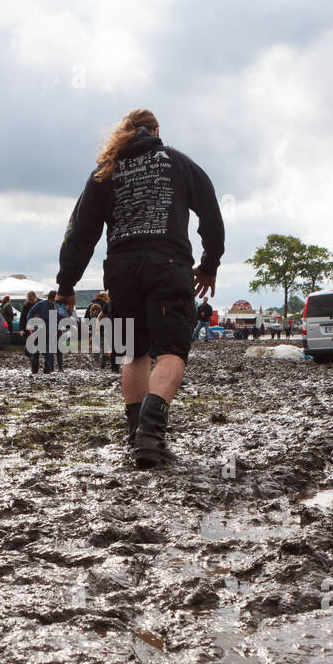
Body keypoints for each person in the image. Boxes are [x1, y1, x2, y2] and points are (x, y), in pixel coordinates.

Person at [56, 108, 224, 467]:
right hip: (168, 265)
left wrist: (66, 284)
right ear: (157, 130)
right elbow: (210, 212)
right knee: (171, 353)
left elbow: (81, 232)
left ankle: (136, 439)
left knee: (132, 354)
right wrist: (209, 264)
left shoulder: (105, 172)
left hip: (121, 270)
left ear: (125, 132)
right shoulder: (178, 163)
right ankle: (150, 437)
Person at [26, 289, 64, 373]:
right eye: (52, 300)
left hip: (51, 332)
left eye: (54, 301)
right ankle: (35, 370)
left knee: (49, 352)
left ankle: (48, 370)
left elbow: (63, 317)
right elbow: (31, 313)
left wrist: (57, 311)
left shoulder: (58, 306)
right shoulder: (41, 304)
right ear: (49, 299)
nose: (53, 302)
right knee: (35, 352)